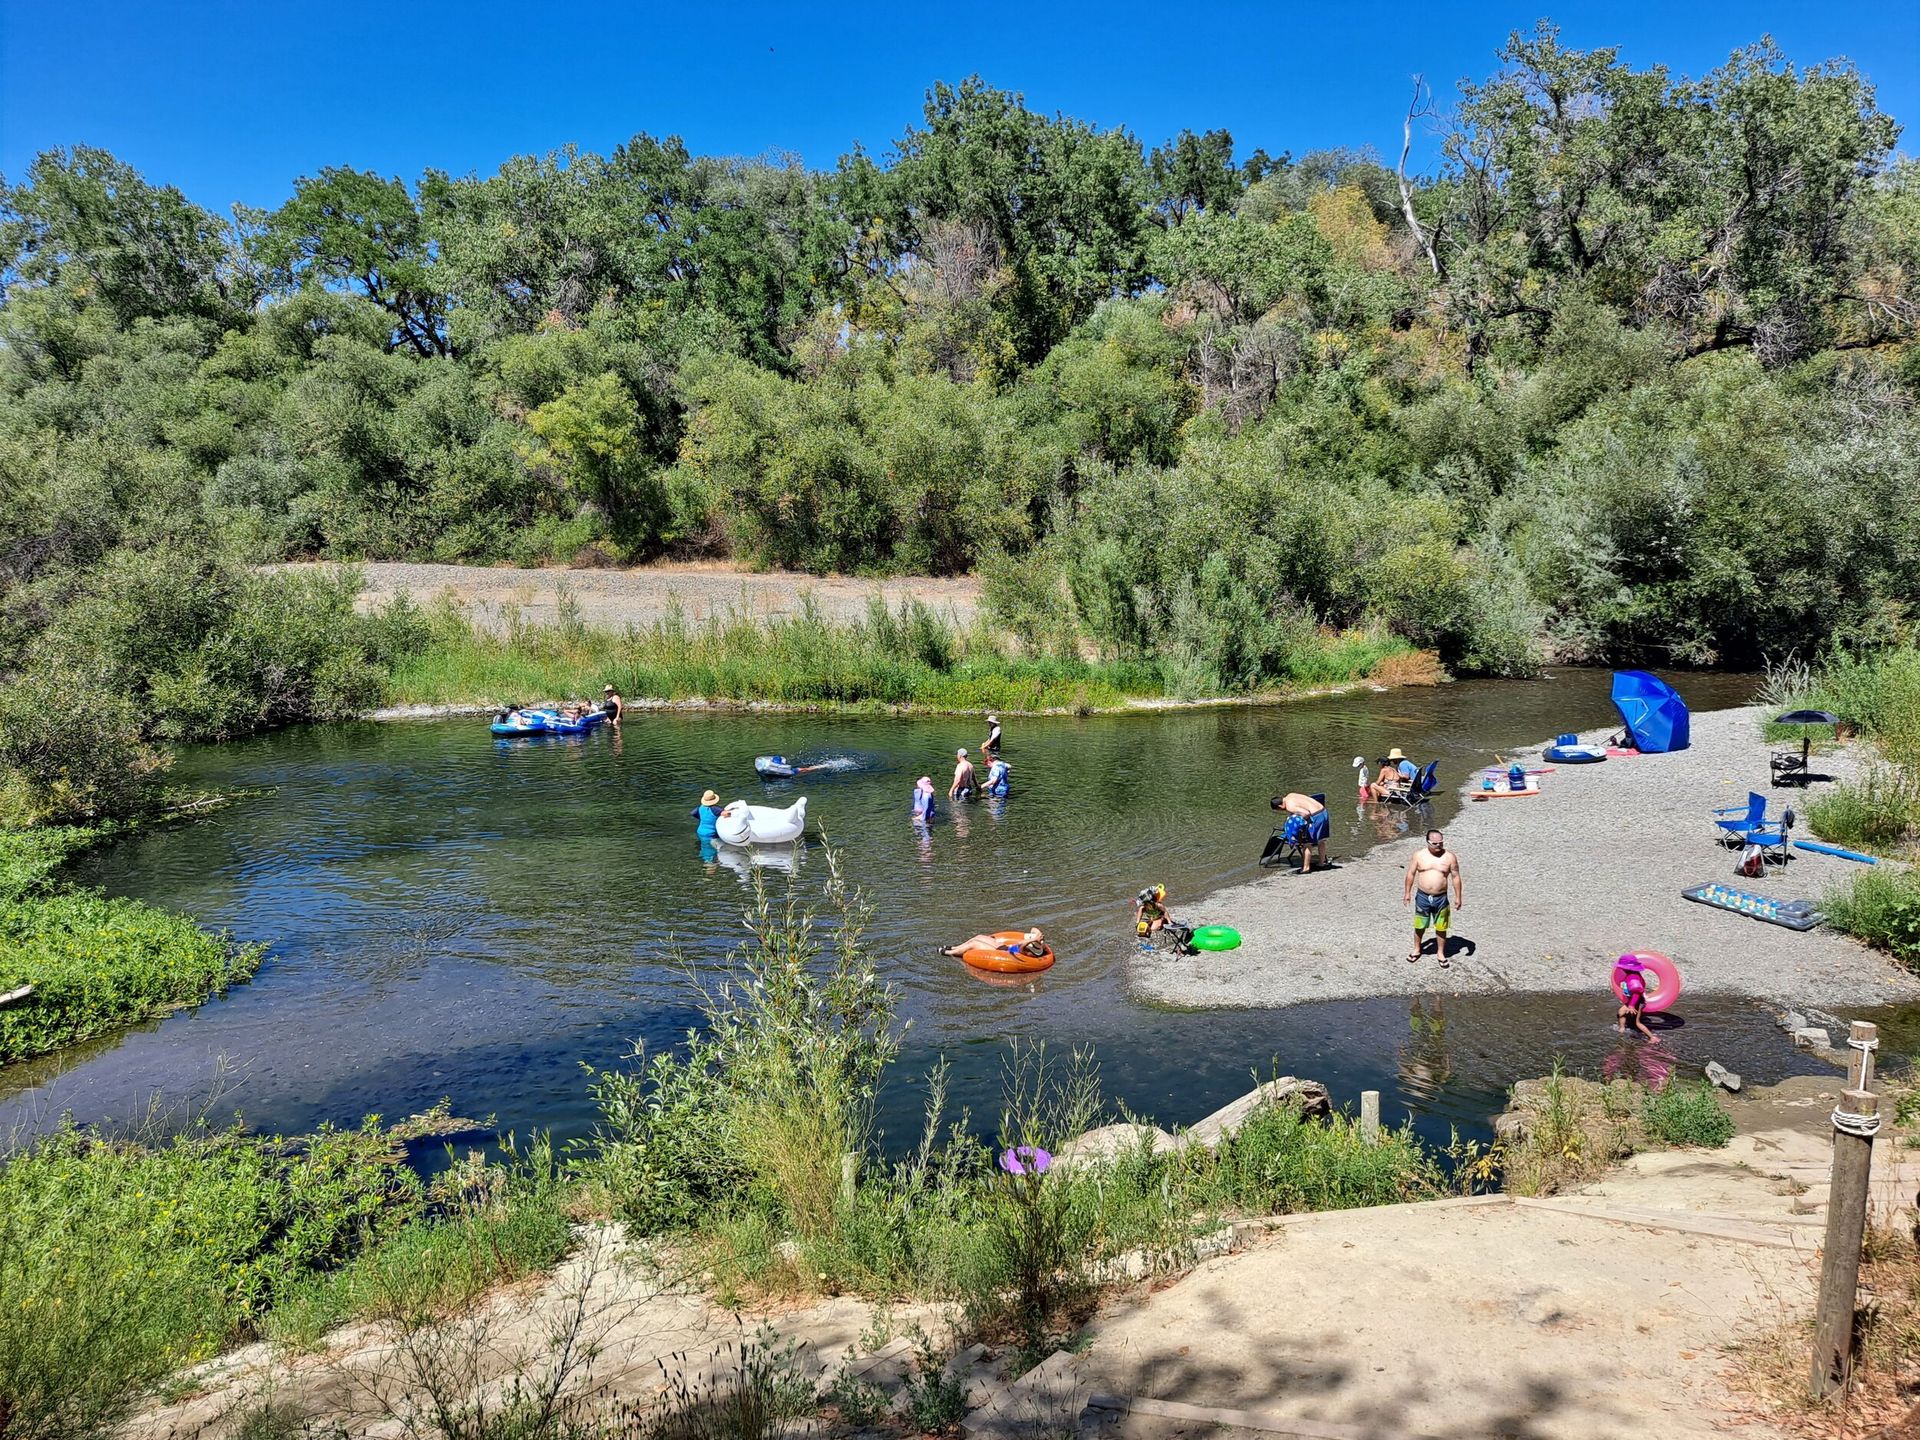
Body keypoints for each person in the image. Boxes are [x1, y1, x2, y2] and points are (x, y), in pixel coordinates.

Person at [1402, 828, 1463, 965]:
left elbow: (1456, 877)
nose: (1438, 845)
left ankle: (1440, 953)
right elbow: (1411, 874)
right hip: (1422, 897)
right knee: (1420, 925)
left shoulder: (1449, 857)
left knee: (1441, 926)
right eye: (1435, 843)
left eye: (1441, 842)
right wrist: (1407, 893)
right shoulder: (1419, 855)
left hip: (1441, 898)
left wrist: (1458, 897)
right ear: (1427, 842)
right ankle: (1417, 949)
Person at [1274, 792, 1329, 874]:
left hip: (1315, 816)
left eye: (1280, 810)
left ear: (1280, 806)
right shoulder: (1290, 795)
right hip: (1323, 812)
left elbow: (1306, 813)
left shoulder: (1289, 806)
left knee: (1307, 843)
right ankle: (1322, 863)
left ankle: (1306, 868)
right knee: (1321, 840)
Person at [943, 926, 1046, 960]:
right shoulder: (1037, 947)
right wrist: (1038, 937)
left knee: (974, 943)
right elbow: (1033, 929)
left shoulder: (1028, 951)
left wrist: (1033, 940)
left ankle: (949, 953)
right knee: (979, 937)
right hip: (1004, 947)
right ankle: (955, 947)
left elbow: (1022, 944)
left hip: (1001, 953)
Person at [1616, 957, 1654, 1038]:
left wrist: (1631, 1005)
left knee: (1638, 1022)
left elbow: (1636, 992)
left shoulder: (1633, 978)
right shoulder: (1631, 975)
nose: (1621, 969)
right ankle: (1622, 1028)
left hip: (1638, 1001)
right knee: (1621, 1012)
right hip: (1633, 1000)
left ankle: (1653, 1038)